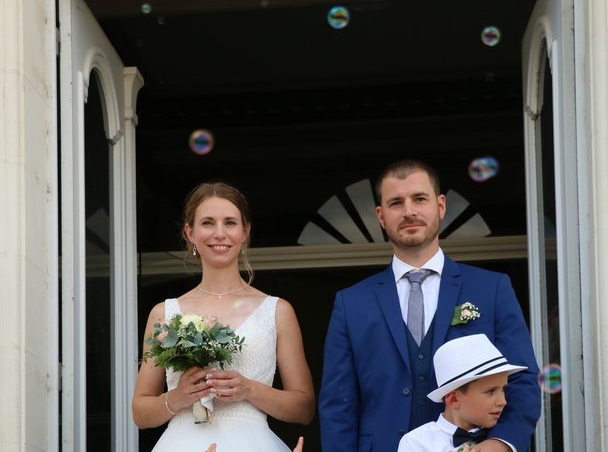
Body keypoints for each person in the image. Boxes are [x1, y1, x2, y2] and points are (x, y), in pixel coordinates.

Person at [318, 159, 540, 452]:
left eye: (419, 199)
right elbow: (338, 404)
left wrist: (500, 444)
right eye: (396, 202)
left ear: (441, 205)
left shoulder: (492, 288)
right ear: (381, 216)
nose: (409, 211)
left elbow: (522, 379)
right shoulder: (351, 303)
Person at [133, 182, 315, 451]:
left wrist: (249, 390)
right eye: (208, 223)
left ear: (245, 232)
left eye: (230, 223)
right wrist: (178, 397)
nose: (219, 233)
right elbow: (140, 412)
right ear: (190, 232)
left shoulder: (277, 311)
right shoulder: (164, 313)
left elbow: (304, 409)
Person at [398, 334, 527, 452]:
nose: (502, 401)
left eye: (503, 389)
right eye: (490, 391)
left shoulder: (505, 440)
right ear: (453, 399)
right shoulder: (416, 443)